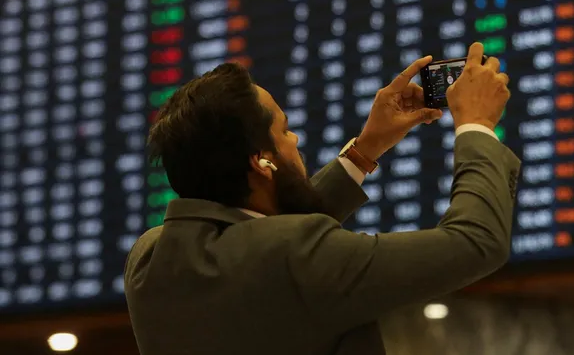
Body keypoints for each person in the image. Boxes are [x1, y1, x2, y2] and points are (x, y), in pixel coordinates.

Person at [124, 42, 519, 355]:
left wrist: (367, 149)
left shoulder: (148, 259)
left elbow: (258, 244)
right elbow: (475, 242)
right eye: (285, 130)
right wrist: (476, 125)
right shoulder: (296, 257)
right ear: (263, 161)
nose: (295, 141)